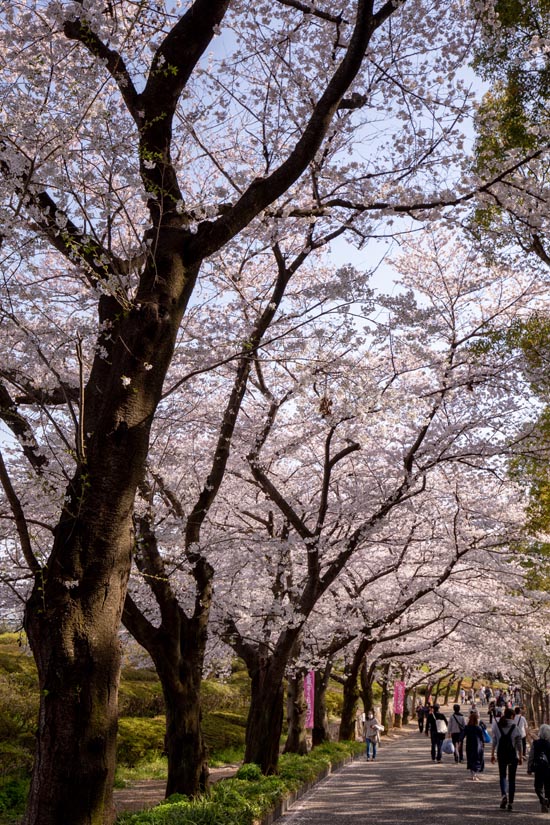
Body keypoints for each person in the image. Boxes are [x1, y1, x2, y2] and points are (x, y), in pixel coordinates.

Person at [491, 706, 523, 811]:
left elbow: (494, 741)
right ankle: (511, 802)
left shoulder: (497, 725)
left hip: (501, 754)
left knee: (503, 776)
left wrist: (492, 754)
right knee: (512, 779)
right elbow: (519, 744)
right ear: (512, 716)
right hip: (512, 755)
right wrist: (520, 756)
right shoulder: (515, 727)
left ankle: (504, 795)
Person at [528, 723, 550, 812]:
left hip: (539, 768)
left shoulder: (535, 743)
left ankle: (542, 800)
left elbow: (531, 756)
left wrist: (529, 768)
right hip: (549, 768)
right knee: (548, 787)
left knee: (538, 787)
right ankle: (547, 802)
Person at [463, 709, 484, 780]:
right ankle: (475, 774)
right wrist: (483, 745)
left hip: (469, 745)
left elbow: (462, 735)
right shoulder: (478, 728)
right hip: (477, 745)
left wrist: (459, 743)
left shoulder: (467, 727)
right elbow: (482, 738)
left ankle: (472, 774)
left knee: (470, 759)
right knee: (476, 759)